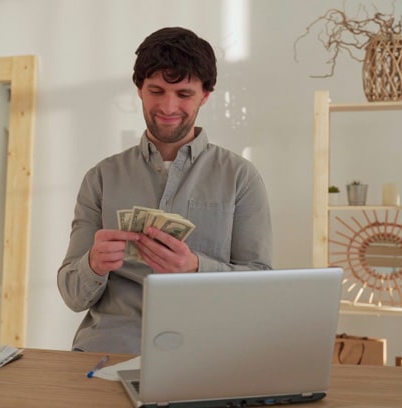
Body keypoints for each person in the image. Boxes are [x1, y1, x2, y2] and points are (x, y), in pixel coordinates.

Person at [57, 27, 273, 354]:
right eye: (156, 90)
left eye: (184, 94)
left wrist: (196, 267)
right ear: (140, 91)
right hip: (108, 352)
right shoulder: (100, 178)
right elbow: (73, 296)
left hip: (208, 355)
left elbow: (260, 287)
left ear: (205, 95)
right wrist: (94, 263)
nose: (168, 107)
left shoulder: (241, 178)